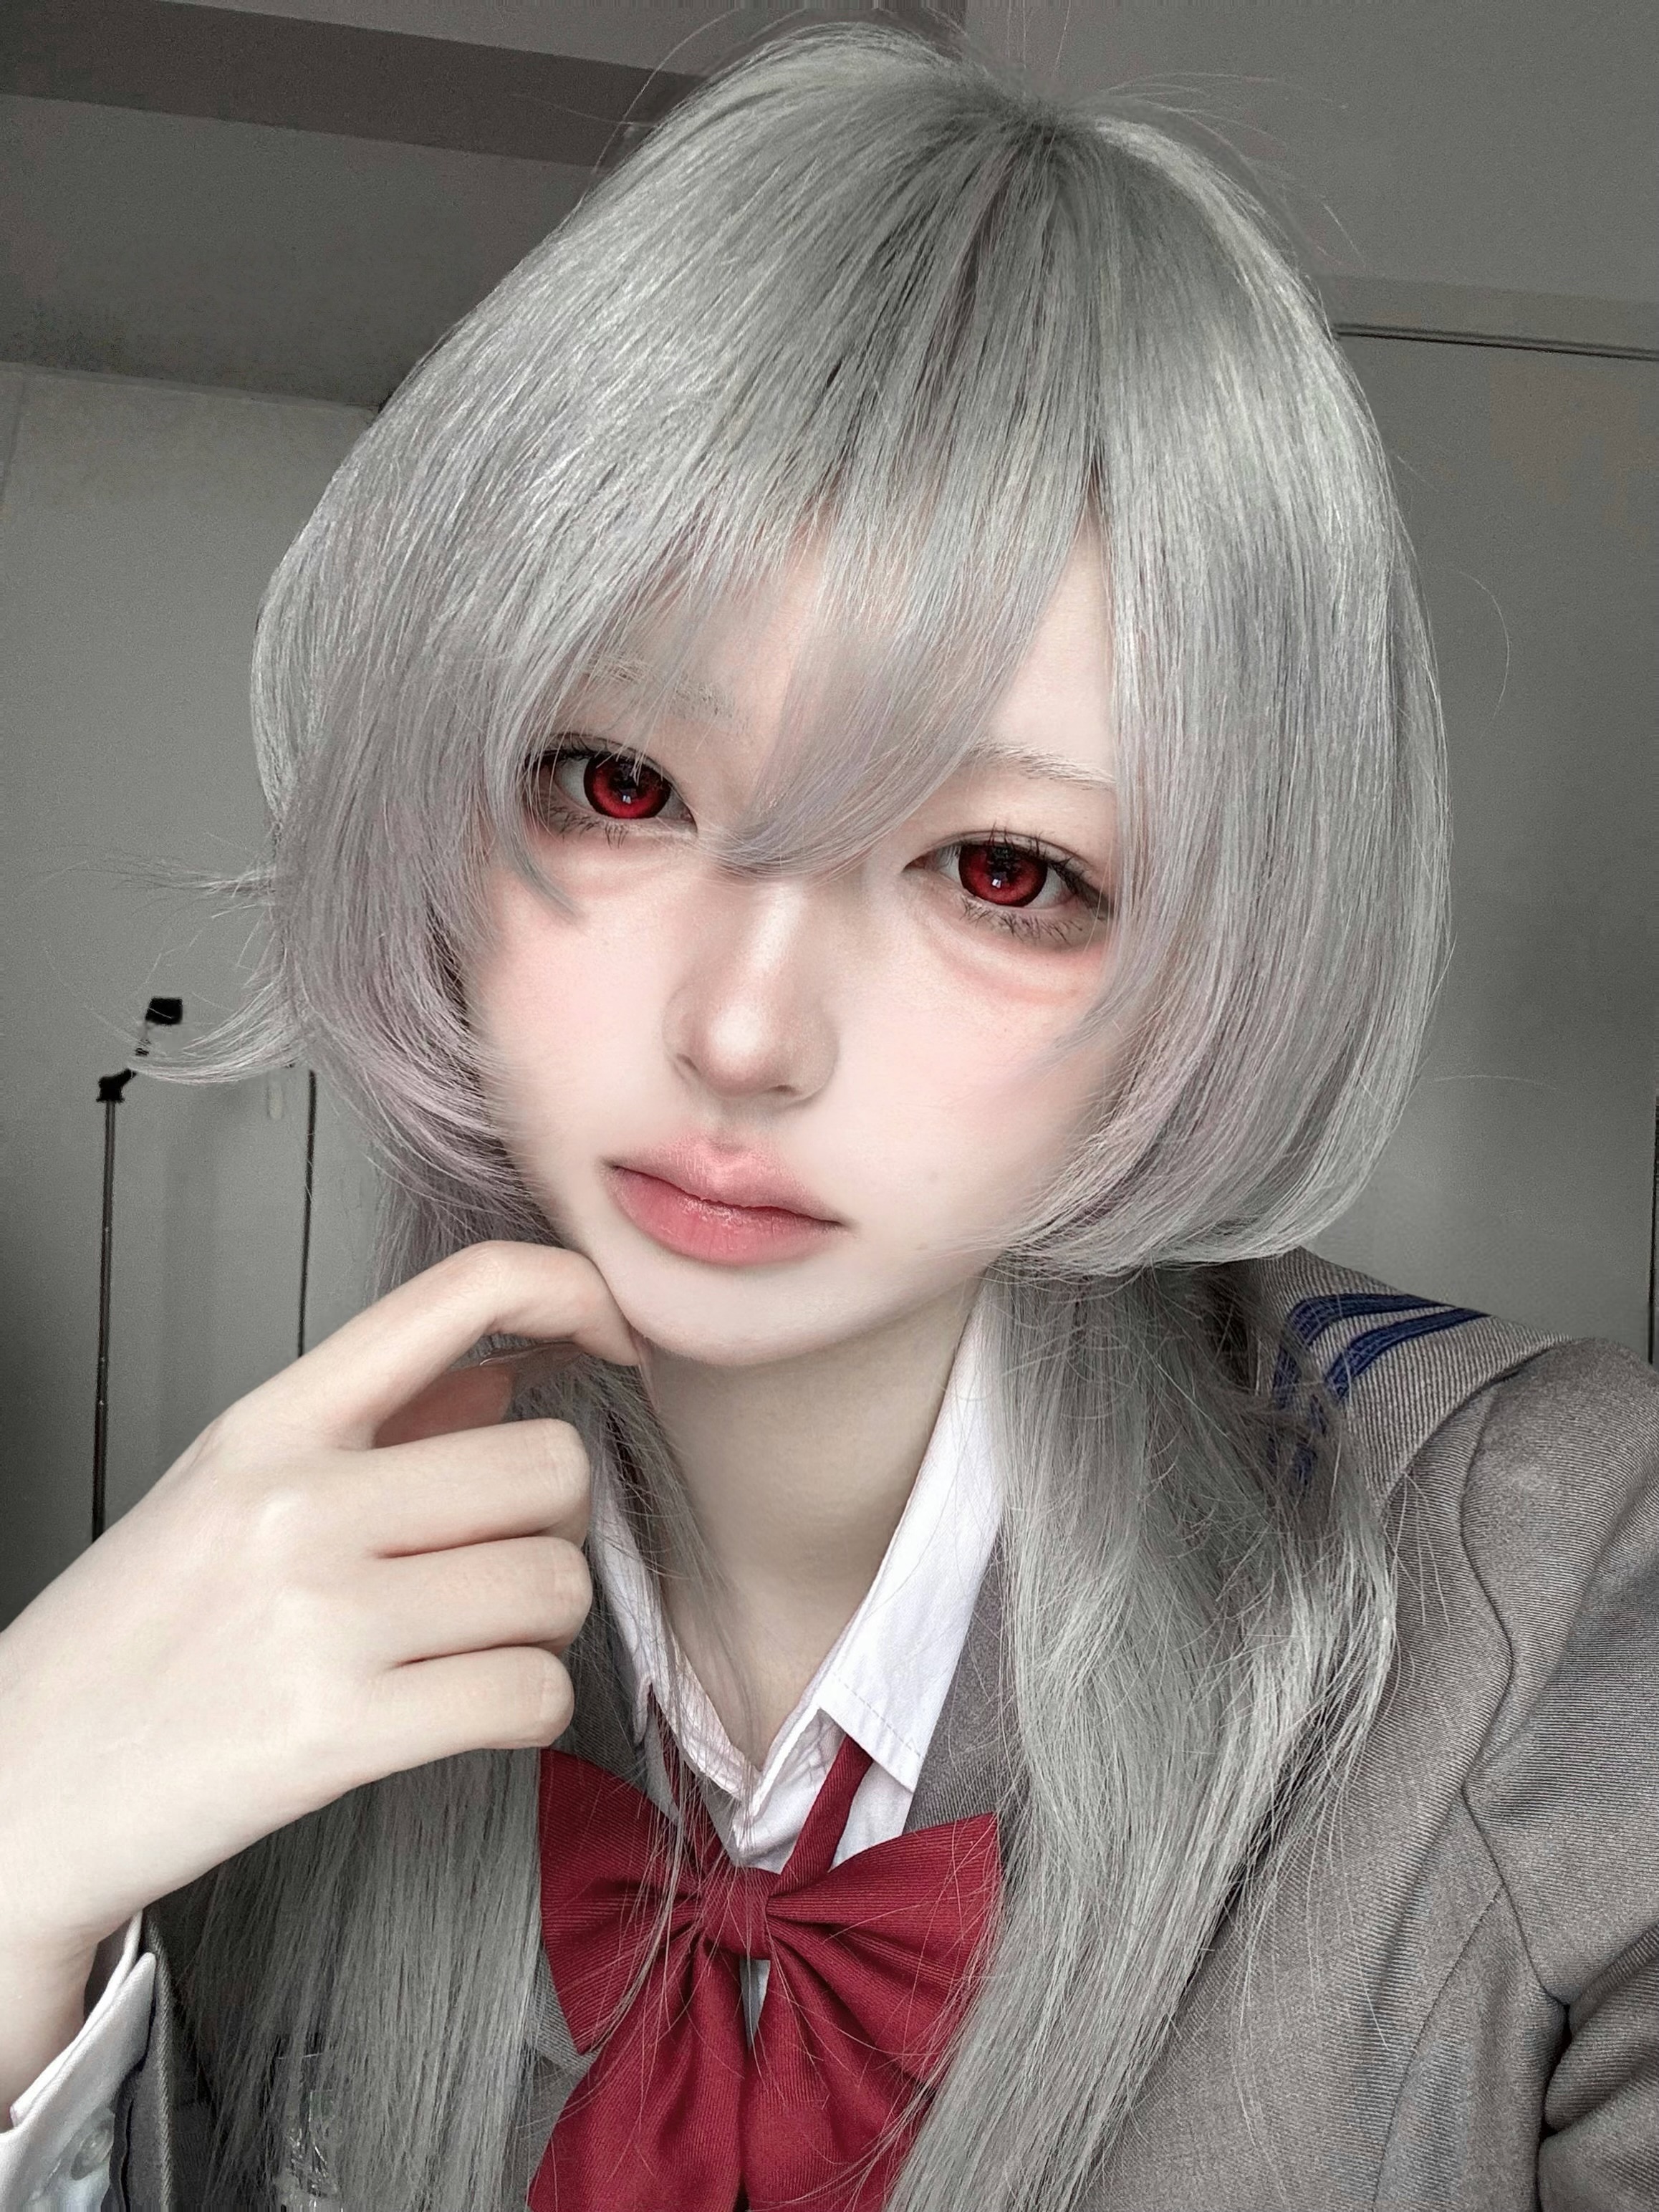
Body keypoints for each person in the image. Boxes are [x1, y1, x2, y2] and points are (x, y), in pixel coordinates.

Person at [1, 21, 1654, 2212]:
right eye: (620, 784)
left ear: (1213, 945)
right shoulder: (285, 1644)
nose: (743, 1030)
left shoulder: (1566, 1584)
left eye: (1001, 871)